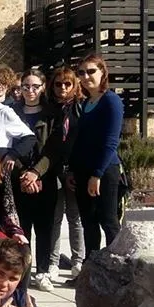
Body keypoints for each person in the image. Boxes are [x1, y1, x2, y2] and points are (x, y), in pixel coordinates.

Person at [13, 70, 63, 291]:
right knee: (21, 227)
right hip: (19, 177)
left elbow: (54, 149)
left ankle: (42, 271)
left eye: (34, 86)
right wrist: (25, 173)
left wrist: (37, 173)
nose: (30, 91)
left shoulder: (53, 114)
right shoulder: (12, 112)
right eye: (25, 86)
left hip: (45, 178)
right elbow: (9, 146)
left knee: (44, 228)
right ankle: (23, 269)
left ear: (43, 87)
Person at [70, 54, 124, 253]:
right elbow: (81, 141)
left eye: (91, 71)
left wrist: (97, 174)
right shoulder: (86, 103)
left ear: (103, 73)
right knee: (88, 222)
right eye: (81, 72)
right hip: (83, 171)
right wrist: (73, 171)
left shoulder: (111, 101)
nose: (86, 76)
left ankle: (116, 271)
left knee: (108, 220)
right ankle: (90, 270)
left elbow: (110, 142)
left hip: (104, 170)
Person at [49, 67, 86, 276]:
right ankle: (53, 262)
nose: (63, 88)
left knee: (75, 216)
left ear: (74, 86)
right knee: (55, 218)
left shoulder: (80, 108)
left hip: (73, 169)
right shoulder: (51, 109)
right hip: (54, 169)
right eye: (58, 84)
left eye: (67, 84)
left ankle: (77, 260)